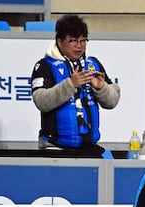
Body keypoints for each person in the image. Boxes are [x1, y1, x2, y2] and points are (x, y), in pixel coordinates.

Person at [31, 14, 120, 157]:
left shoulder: (92, 64)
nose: (79, 46)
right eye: (73, 41)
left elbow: (112, 101)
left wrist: (101, 88)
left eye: (83, 40)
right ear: (60, 42)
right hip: (56, 149)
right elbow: (41, 100)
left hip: (89, 148)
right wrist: (71, 84)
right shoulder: (44, 66)